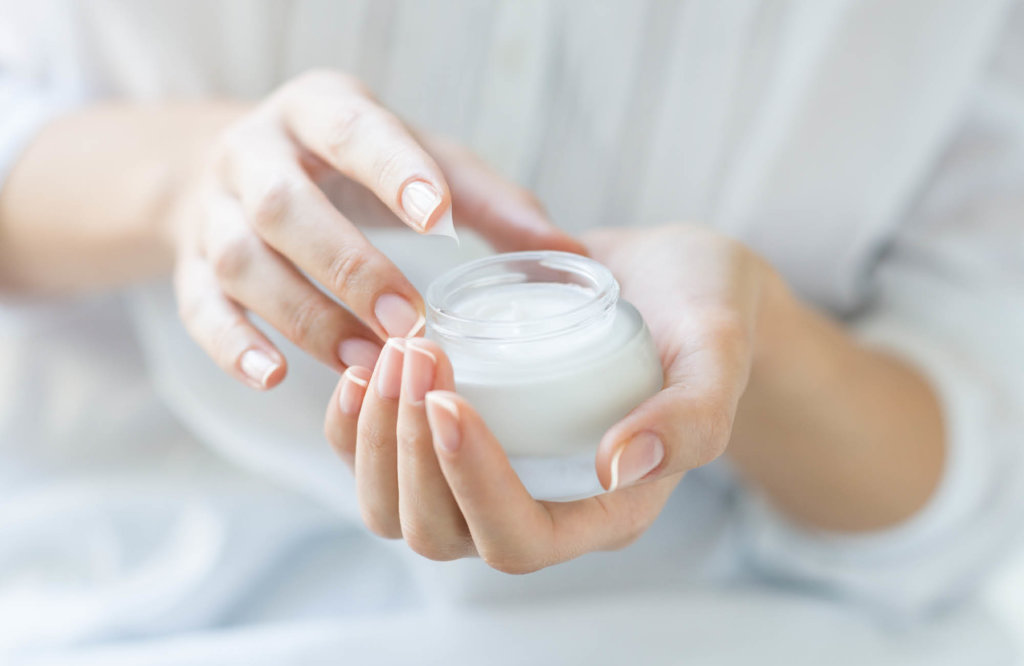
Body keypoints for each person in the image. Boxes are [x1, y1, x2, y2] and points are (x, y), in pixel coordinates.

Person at [1, 1, 1023, 663]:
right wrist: (188, 181)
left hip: (734, 628)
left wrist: (750, 343)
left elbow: (971, 472)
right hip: (135, 598)